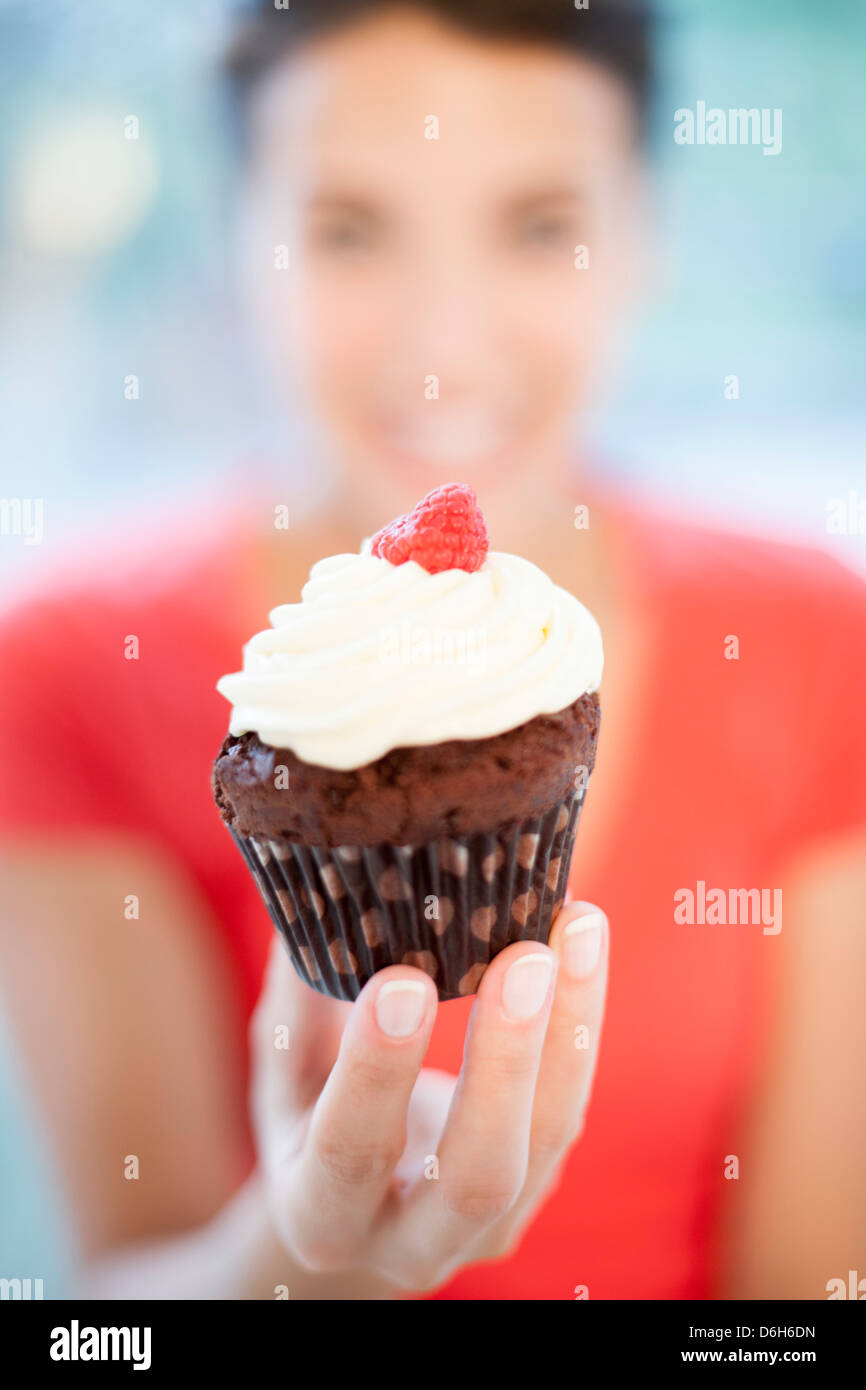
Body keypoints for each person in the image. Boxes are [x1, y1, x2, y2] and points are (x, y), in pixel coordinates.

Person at [0, 0, 864, 1300]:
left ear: (644, 237)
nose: (442, 343)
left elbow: (813, 1289)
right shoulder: (67, 663)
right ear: (241, 242)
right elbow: (102, 1321)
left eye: (538, 228)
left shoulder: (813, 640)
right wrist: (294, 1259)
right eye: (347, 229)